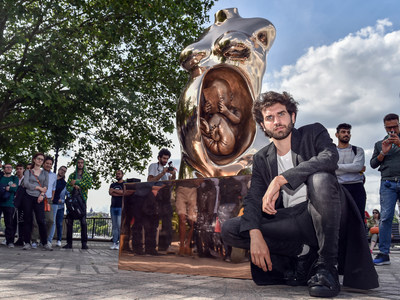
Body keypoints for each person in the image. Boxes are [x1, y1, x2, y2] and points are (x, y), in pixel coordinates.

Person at [221, 91, 378, 297]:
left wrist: (281, 179)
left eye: (281, 114)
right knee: (231, 228)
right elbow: (253, 198)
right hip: (292, 221)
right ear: (262, 125)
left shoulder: (313, 133)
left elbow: (330, 158)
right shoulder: (261, 158)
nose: (277, 121)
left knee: (320, 178)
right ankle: (304, 253)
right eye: (269, 117)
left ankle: (327, 266)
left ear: (292, 117)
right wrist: (254, 233)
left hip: (327, 213)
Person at [370, 113, 400, 266]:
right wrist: (383, 152)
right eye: (389, 128)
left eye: (395, 126)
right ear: (385, 127)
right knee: (386, 217)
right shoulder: (379, 143)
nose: (392, 130)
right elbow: (373, 164)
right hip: (388, 183)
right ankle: (384, 253)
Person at [335, 123, 367, 221]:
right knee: (340, 218)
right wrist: (352, 168)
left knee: (358, 218)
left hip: (356, 186)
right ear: (337, 135)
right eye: (343, 132)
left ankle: (360, 236)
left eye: (348, 132)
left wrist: (335, 167)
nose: (346, 134)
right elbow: (327, 168)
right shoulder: (332, 152)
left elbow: (357, 167)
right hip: (339, 187)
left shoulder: (358, 150)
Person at [147, 148, 176, 254]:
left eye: (167, 159)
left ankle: (165, 246)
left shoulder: (168, 170)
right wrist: (162, 173)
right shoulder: (153, 166)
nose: (165, 160)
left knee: (167, 222)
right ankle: (151, 247)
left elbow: (171, 184)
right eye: (164, 158)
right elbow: (150, 180)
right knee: (154, 222)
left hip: (166, 197)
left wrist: (173, 175)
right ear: (159, 157)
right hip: (155, 197)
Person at [21, 153, 52, 250]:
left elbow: (46, 186)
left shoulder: (45, 173)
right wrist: (38, 187)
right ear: (34, 160)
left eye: (42, 160)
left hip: (39, 198)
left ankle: (44, 242)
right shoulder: (28, 172)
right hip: (28, 197)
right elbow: (25, 184)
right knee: (27, 220)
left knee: (41, 220)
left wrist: (42, 195)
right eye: (38, 159)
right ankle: (27, 242)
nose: (40, 161)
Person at [63, 158, 92, 250]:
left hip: (82, 201)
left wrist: (77, 182)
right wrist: (73, 187)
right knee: (70, 222)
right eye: (78, 163)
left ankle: (84, 243)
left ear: (84, 164)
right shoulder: (72, 175)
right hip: (72, 201)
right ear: (76, 164)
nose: (80, 164)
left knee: (83, 222)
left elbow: (89, 185)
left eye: (82, 163)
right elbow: (67, 186)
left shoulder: (87, 175)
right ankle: (69, 243)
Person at [48, 166, 67, 247]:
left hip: (60, 206)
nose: (62, 171)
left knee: (58, 223)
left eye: (64, 171)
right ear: (58, 170)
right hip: (50, 202)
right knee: (49, 221)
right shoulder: (52, 179)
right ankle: (47, 239)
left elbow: (68, 196)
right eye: (61, 169)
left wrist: (62, 201)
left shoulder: (64, 184)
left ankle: (58, 240)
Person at [0, 163, 18, 247]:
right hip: (0, 202)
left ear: (12, 169)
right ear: (4, 169)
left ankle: (10, 241)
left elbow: (15, 188)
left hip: (9, 203)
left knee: (9, 223)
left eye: (10, 167)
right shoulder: (1, 177)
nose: (8, 169)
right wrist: (7, 188)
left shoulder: (14, 178)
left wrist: (9, 188)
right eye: (6, 167)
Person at [109, 170, 124, 250]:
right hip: (113, 207)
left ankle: (119, 242)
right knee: (114, 226)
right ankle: (114, 242)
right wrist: (118, 192)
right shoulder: (113, 184)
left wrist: (115, 191)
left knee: (119, 225)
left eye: (119, 174)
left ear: (122, 175)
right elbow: (110, 192)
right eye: (116, 174)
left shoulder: (124, 184)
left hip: (120, 207)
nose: (117, 175)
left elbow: (123, 192)